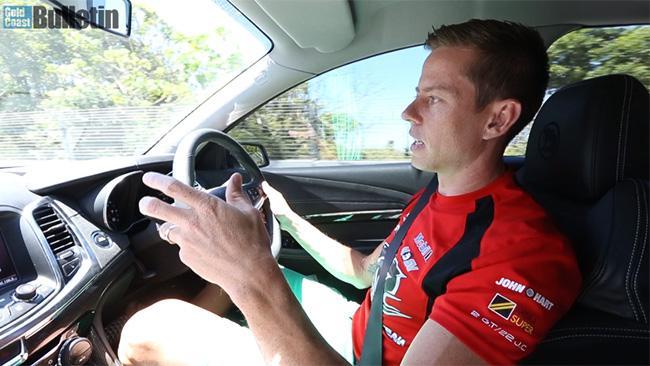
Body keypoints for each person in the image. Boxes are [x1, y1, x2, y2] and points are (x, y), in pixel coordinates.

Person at [118, 19, 581, 365]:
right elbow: (362, 273)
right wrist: (282, 219)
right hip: (356, 325)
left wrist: (251, 274)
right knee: (223, 283)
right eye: (417, 93)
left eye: (434, 99)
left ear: (497, 119)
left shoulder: (524, 258)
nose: (407, 111)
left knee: (149, 328)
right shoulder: (437, 198)